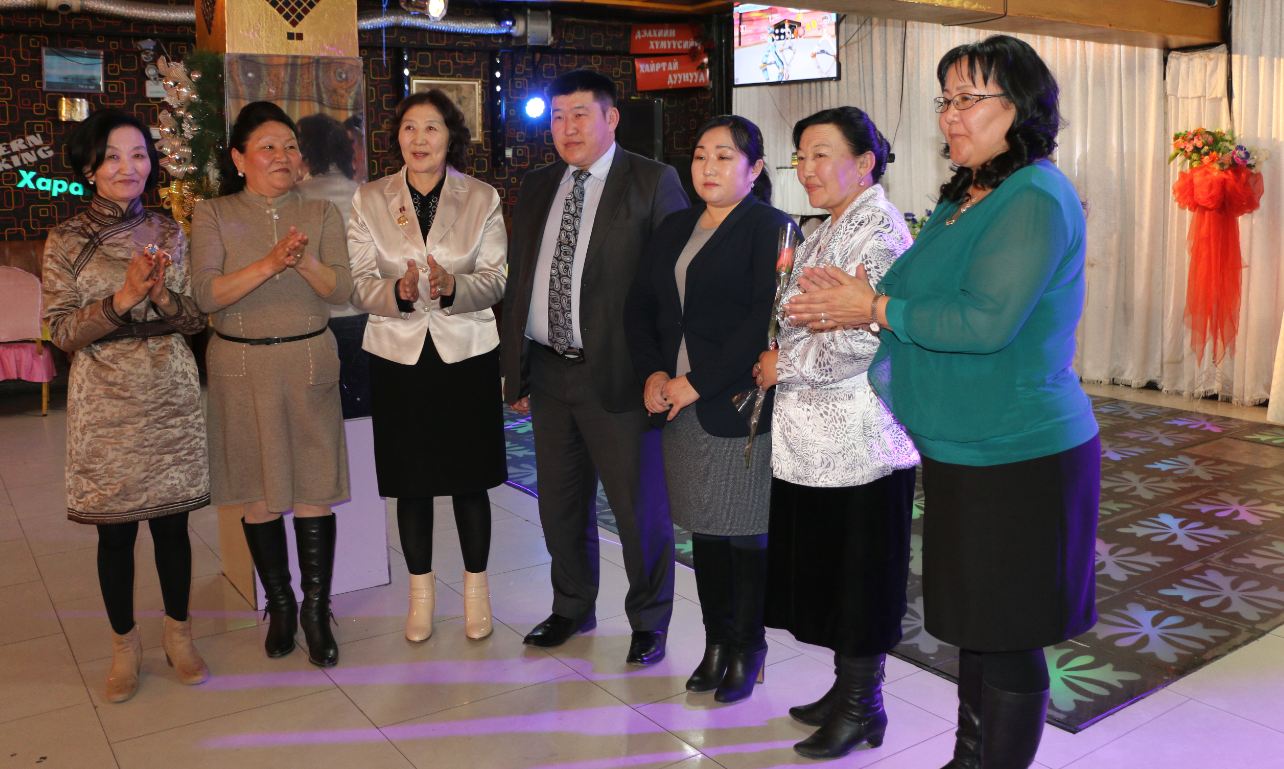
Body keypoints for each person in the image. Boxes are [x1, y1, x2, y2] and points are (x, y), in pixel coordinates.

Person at [785, 36, 1099, 769]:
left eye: (969, 99)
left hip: (1021, 451)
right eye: (946, 99)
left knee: (1010, 633)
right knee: (977, 626)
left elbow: (985, 322)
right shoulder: (966, 196)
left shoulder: (1035, 197)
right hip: (964, 445)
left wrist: (873, 307)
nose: (951, 115)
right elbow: (911, 288)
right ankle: (967, 757)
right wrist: (858, 298)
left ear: (1019, 108)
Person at [499, 68, 688, 665]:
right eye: (557, 117)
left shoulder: (652, 181)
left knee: (638, 510)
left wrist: (663, 372)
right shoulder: (537, 184)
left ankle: (649, 621)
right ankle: (572, 605)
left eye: (580, 114)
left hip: (625, 377)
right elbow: (521, 280)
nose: (567, 128)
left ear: (612, 118)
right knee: (559, 505)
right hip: (549, 372)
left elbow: (674, 287)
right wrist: (516, 370)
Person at [753, 106, 919, 758]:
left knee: (862, 579)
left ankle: (862, 706)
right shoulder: (825, 229)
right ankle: (846, 689)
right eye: (801, 155)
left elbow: (862, 338)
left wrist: (784, 363)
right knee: (830, 572)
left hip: (861, 439)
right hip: (812, 437)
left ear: (864, 162)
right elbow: (798, 313)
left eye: (821, 154)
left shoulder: (881, 232)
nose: (806, 168)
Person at [625, 115, 794, 702]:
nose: (709, 167)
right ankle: (716, 642)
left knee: (743, 532)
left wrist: (694, 383)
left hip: (737, 407)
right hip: (677, 404)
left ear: (755, 168)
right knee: (705, 533)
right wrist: (652, 372)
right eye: (700, 155)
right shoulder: (675, 226)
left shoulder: (772, 228)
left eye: (725, 156)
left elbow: (763, 320)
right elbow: (641, 307)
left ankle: (749, 647)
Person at [42, 108, 210, 702]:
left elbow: (195, 320)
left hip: (169, 390)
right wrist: (123, 298)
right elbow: (62, 332)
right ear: (90, 168)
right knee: (115, 535)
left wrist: (161, 295)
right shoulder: (65, 240)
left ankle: (179, 635)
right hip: (106, 395)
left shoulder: (168, 231)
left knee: (173, 526)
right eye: (113, 156)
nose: (128, 167)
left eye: (138, 154)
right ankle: (124, 647)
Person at [192, 101, 354, 668]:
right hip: (240, 367)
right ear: (239, 159)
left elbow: (342, 290)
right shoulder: (212, 213)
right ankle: (280, 605)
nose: (283, 156)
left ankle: (316, 610)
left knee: (313, 486)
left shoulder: (320, 212)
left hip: (308, 359)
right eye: (268, 147)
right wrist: (269, 262)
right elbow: (206, 295)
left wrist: (302, 262)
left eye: (289, 146)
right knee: (258, 491)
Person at [347, 90, 507, 642]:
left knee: (469, 480)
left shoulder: (481, 197)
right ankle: (420, 598)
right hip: (399, 356)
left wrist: (453, 285)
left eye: (432, 128)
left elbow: (497, 279)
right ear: (397, 137)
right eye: (409, 128)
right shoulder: (370, 198)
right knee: (410, 482)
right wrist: (397, 290)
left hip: (466, 353)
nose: (419, 139)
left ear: (450, 137)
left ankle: (477, 593)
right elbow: (359, 284)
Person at [297, 112, 369, 419]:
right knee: (360, 411)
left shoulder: (296, 198)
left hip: (315, 319)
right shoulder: (363, 195)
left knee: (320, 413)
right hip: (361, 314)